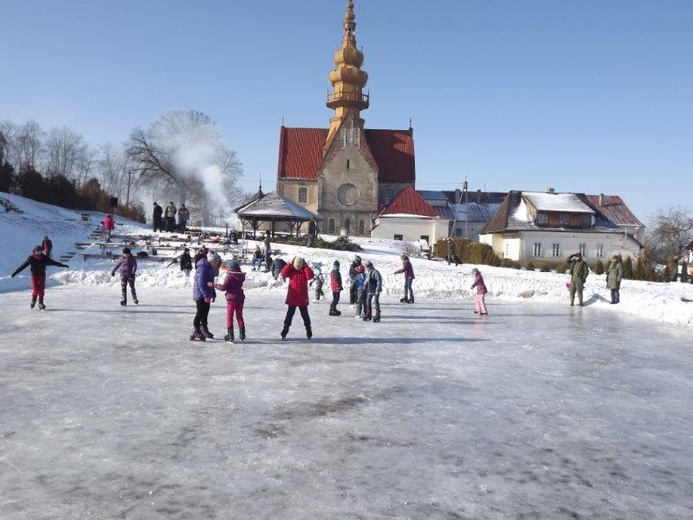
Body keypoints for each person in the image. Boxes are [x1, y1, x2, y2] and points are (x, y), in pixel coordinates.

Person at [11, 245, 69, 310]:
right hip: (34, 276)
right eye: (37, 251)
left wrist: (62, 265)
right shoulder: (31, 258)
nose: (39, 253)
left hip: (42, 275)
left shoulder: (44, 258)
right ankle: (33, 300)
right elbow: (23, 266)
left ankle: (40, 303)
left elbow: (53, 262)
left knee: (41, 289)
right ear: (34, 251)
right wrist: (15, 272)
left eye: (40, 251)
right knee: (35, 289)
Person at [279, 256, 314, 340]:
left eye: (299, 265)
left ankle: (308, 329)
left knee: (305, 315)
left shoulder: (304, 271)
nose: (298, 267)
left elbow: (310, 276)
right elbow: (283, 273)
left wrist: (306, 267)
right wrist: (289, 265)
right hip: (293, 296)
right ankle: (285, 329)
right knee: (289, 314)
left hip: (302, 297)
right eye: (296, 265)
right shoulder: (291, 271)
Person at [215, 259, 246, 343]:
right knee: (239, 316)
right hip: (240, 297)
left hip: (231, 298)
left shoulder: (229, 276)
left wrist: (215, 285)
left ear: (231, 268)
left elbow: (223, 287)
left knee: (229, 316)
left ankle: (230, 335)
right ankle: (242, 334)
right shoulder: (241, 275)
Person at [191, 251, 218, 341]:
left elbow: (210, 283)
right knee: (200, 312)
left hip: (206, 294)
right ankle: (195, 329)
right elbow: (201, 283)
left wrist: (212, 294)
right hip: (200, 294)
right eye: (215, 262)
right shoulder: (203, 268)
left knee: (205, 312)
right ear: (211, 261)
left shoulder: (209, 268)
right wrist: (206, 295)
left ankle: (203, 328)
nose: (217, 263)